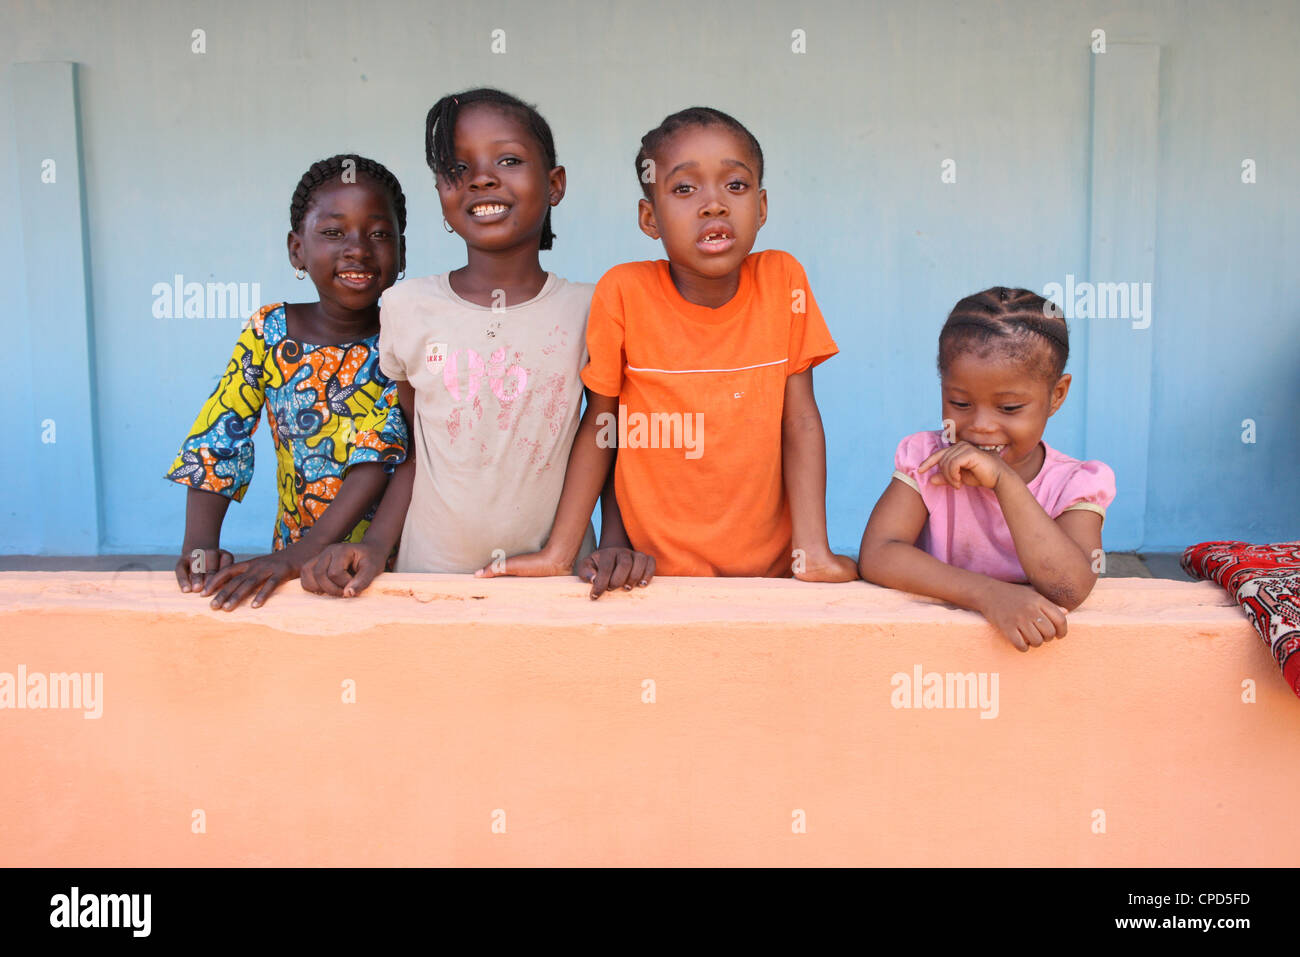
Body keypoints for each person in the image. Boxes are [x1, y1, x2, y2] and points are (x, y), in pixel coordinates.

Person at [478, 106, 857, 584]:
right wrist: (561, 551)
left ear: (761, 207)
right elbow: (603, 424)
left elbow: (800, 420)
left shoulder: (783, 280)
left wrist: (813, 552)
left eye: (735, 186)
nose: (714, 204)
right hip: (653, 576)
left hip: (773, 575)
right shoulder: (624, 292)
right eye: (684, 188)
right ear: (649, 217)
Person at [301, 89, 650, 600]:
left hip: (559, 581)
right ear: (442, 193)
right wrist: (377, 545)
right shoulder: (406, 306)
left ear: (555, 184)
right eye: (458, 168)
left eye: (508, 160)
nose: (482, 178)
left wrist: (615, 539)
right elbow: (418, 452)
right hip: (428, 580)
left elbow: (607, 436)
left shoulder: (592, 307)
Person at [166, 154, 409, 610]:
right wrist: (199, 546)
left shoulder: (404, 336)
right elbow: (221, 435)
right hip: (290, 564)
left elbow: (379, 454)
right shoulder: (269, 332)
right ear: (297, 249)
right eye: (333, 233)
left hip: (387, 562)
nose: (357, 248)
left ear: (402, 252)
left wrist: (301, 555)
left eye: (378, 234)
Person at [857, 287, 1116, 651]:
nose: (980, 425)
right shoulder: (927, 458)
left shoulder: (1075, 483)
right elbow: (878, 554)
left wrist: (1004, 481)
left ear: (1056, 395)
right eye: (959, 402)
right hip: (929, 651)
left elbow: (1069, 587)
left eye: (1009, 408)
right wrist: (989, 596)